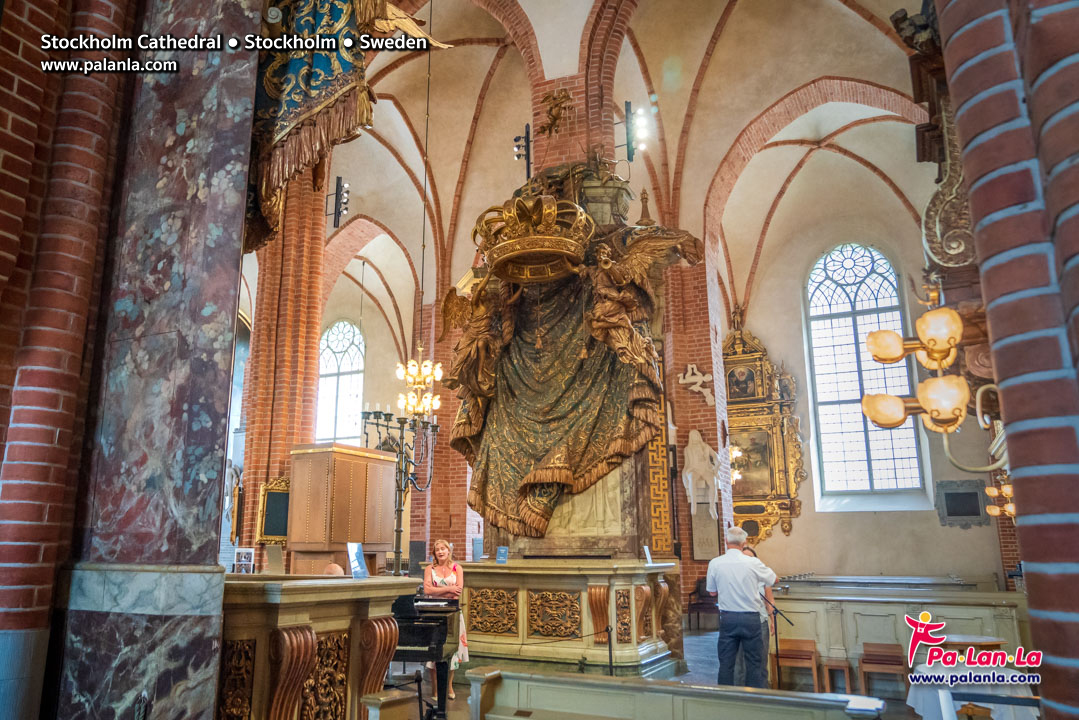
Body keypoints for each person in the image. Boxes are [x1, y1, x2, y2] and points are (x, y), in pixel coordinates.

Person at [706, 526, 776, 688]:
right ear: (744, 543)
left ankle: (725, 699)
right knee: (754, 663)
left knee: (726, 662)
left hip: (728, 617)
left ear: (726, 541)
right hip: (751, 618)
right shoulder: (752, 562)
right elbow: (773, 579)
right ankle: (754, 699)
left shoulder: (715, 563)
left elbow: (711, 592)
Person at [423, 539, 468, 700]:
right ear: (434, 553)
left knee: (452, 652)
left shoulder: (457, 568)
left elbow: (458, 592)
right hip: (434, 613)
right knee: (434, 651)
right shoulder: (430, 569)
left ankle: (449, 686)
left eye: (443, 549)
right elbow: (427, 589)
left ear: (449, 551)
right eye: (437, 550)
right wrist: (448, 588)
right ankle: (435, 689)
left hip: (453, 613)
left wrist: (438, 590)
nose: (440, 552)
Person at [732, 546, 775, 687]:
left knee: (760, 661)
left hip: (760, 621)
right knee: (739, 663)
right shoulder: (734, 577)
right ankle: (739, 696)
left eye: (750, 559)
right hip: (739, 621)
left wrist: (772, 619)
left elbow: (769, 600)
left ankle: (761, 695)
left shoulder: (762, 577)